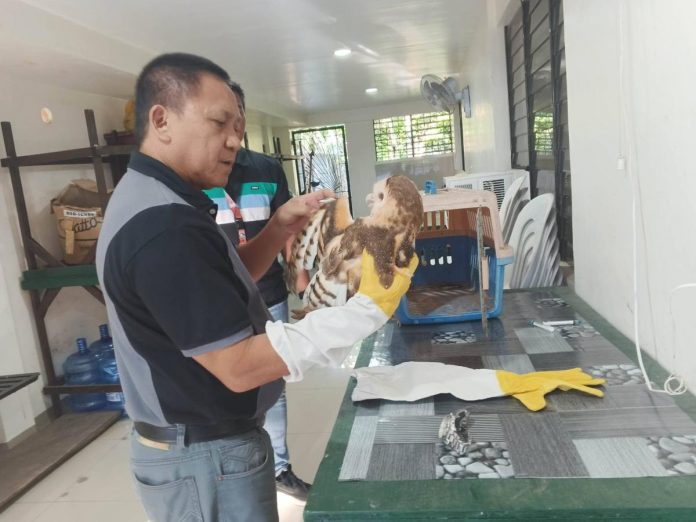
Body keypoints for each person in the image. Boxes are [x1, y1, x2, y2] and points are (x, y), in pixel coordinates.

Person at [95, 52, 417, 522]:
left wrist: (278, 230)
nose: (233, 143)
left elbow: (214, 289)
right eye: (219, 124)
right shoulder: (165, 227)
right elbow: (239, 367)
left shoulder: (153, 198)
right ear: (161, 119)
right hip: (204, 457)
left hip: (202, 448)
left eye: (239, 130)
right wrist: (363, 311)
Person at [220, 81, 310, 501]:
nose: (230, 131)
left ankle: (280, 467)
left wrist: (300, 273)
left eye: (236, 118)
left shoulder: (266, 169)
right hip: (219, 298)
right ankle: (237, 469)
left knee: (273, 381)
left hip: (269, 291)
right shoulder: (193, 178)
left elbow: (288, 227)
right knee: (228, 382)